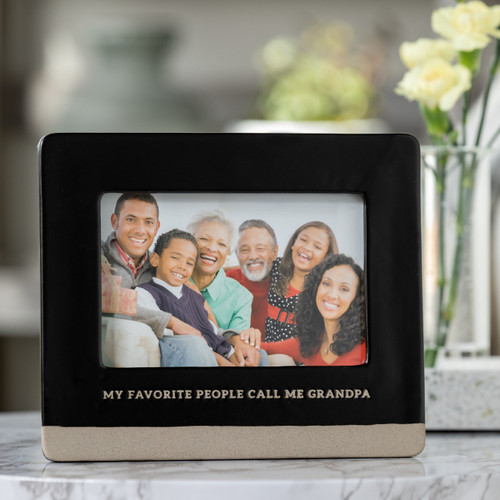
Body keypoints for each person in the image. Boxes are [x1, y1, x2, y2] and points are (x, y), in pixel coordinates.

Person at [101, 193, 229, 367]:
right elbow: (99, 299)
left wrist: (234, 338)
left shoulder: (166, 266)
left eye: (148, 222)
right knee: (193, 345)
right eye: (131, 219)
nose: (140, 230)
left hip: (180, 346)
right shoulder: (100, 257)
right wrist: (170, 321)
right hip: (123, 342)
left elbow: (200, 316)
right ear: (115, 221)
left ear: (156, 226)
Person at [136, 229, 243, 367]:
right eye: (175, 257)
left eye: (189, 263)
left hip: (221, 355)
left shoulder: (195, 296)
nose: (182, 266)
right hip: (191, 353)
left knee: (260, 356)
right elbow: (161, 327)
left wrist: (232, 353)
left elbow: (212, 332)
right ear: (155, 259)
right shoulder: (146, 292)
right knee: (195, 345)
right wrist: (217, 358)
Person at [262, 253, 366, 366]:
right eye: (326, 283)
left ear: (356, 299)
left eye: (344, 289)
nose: (332, 295)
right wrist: (246, 338)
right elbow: (265, 348)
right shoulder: (312, 342)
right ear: (315, 288)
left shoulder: (362, 352)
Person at [265, 221, 339, 342]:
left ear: (326, 257)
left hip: (299, 354)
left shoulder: (325, 290)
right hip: (265, 347)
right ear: (293, 244)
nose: (307, 247)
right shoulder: (277, 266)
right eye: (303, 240)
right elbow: (246, 268)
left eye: (317, 247)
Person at [187, 210, 253, 331]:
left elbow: (236, 346)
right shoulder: (170, 277)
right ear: (188, 241)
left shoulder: (241, 297)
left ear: (228, 252)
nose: (212, 248)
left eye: (222, 244)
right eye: (204, 239)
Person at [226, 219, 278, 335]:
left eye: (260, 248)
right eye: (244, 250)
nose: (253, 256)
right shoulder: (226, 281)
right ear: (237, 254)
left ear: (274, 253)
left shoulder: (290, 282)